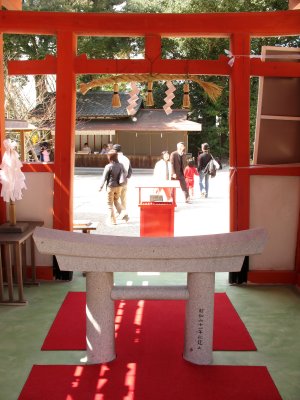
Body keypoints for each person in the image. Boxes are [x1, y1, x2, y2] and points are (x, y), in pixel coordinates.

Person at [99, 150, 129, 225]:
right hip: (119, 186)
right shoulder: (121, 165)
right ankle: (124, 213)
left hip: (111, 187)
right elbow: (125, 173)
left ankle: (113, 220)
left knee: (110, 204)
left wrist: (100, 187)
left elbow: (104, 178)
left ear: (110, 157)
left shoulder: (108, 166)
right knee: (116, 201)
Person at [112, 144, 132, 212]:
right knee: (123, 199)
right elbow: (130, 171)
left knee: (115, 199)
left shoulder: (114, 159)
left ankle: (119, 213)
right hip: (124, 181)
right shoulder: (126, 158)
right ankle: (124, 212)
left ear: (114, 150)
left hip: (116, 182)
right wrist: (126, 177)